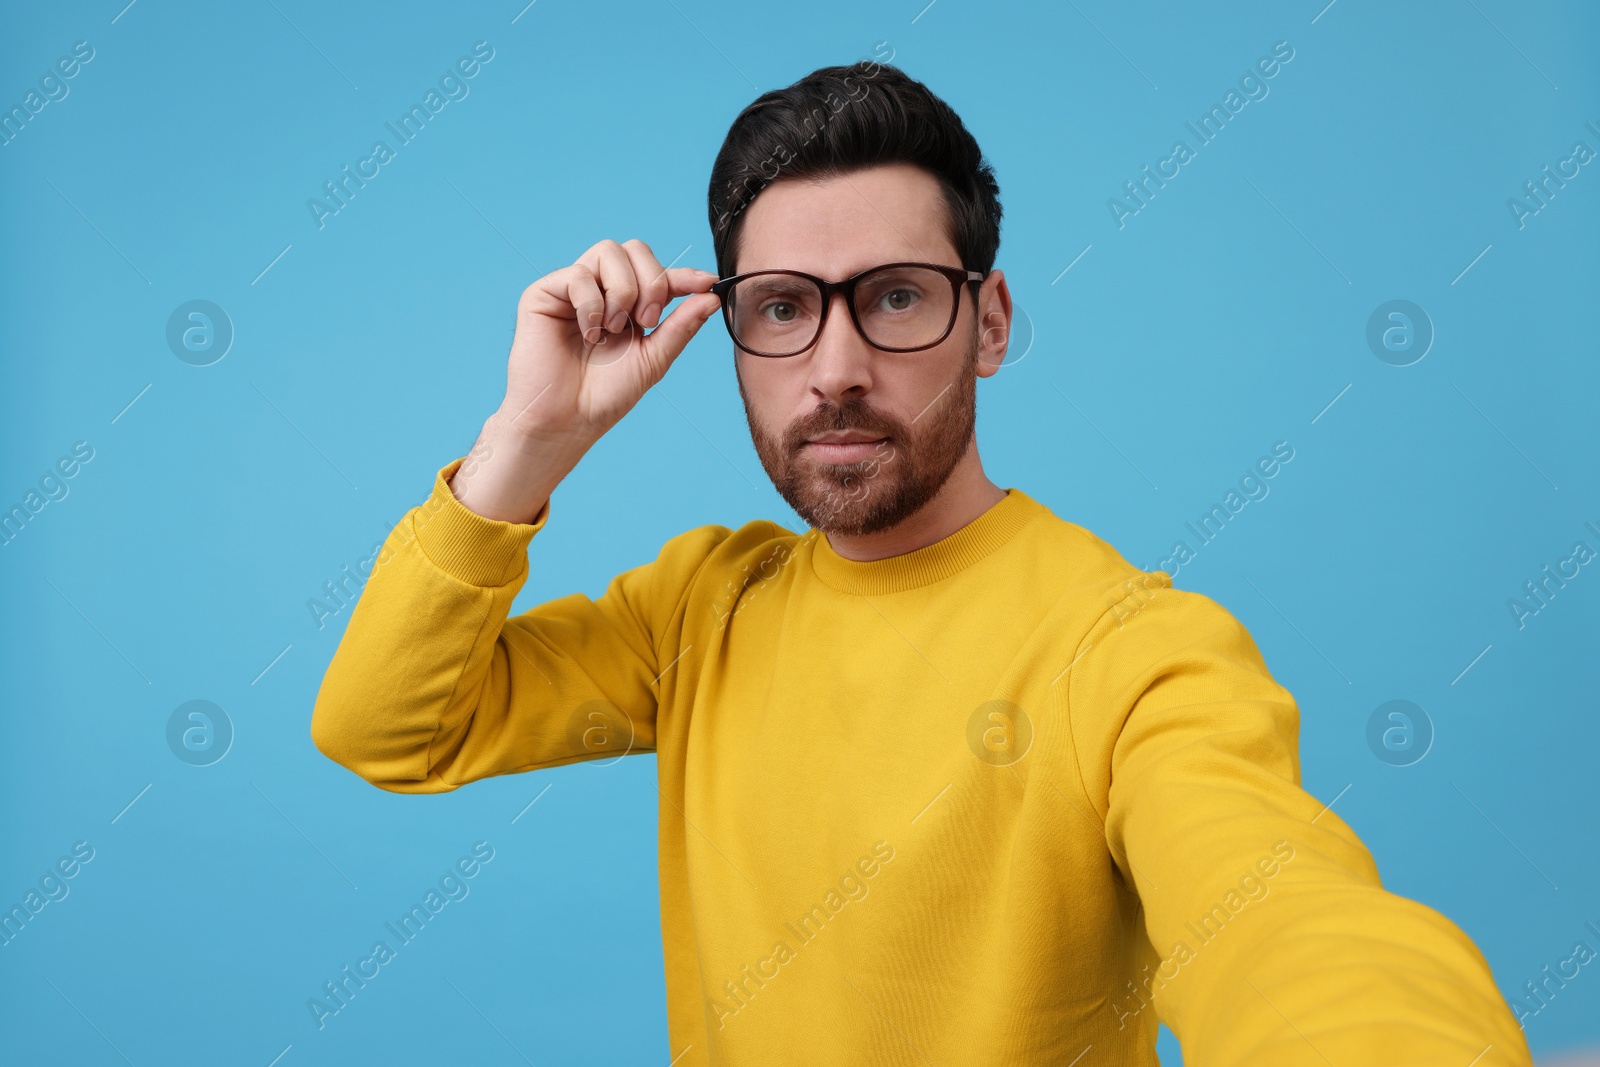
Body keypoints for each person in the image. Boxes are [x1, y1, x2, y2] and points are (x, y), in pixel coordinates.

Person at [310, 61, 1533, 1065]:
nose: (834, 364)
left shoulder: (1131, 650)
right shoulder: (698, 607)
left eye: (894, 297)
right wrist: (527, 442)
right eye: (784, 306)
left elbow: (1285, 921)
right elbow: (387, 727)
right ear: (729, 329)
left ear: (987, 322)